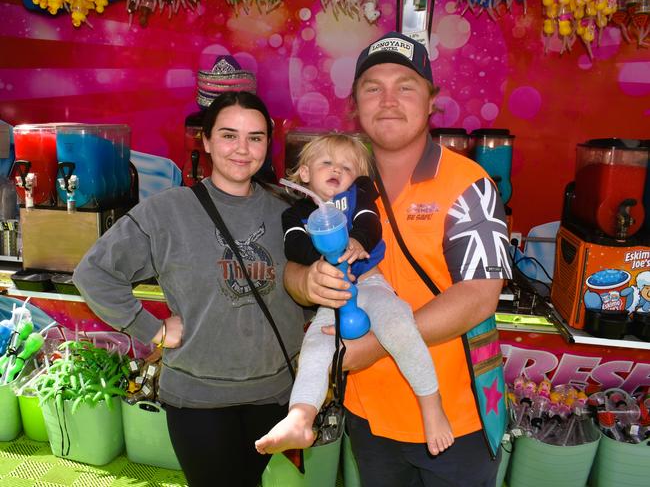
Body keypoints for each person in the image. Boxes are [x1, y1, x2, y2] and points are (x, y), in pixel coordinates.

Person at [284, 31, 512, 486]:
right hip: (367, 416)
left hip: (454, 416)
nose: (388, 100)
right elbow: (294, 267)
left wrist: (373, 348)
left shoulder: (468, 185)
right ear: (355, 105)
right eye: (373, 88)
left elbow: (479, 297)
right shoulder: (338, 180)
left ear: (432, 101)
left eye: (405, 86)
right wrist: (304, 280)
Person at [73, 91, 305, 487]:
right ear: (208, 141)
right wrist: (151, 329)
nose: (242, 149)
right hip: (199, 399)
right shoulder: (168, 211)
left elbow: (306, 288)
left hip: (273, 393)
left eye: (256, 137)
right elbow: (93, 273)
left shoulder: (288, 212)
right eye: (229, 135)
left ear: (268, 145)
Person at [255, 133, 454, 457]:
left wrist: (359, 240)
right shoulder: (295, 213)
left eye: (347, 167)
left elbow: (369, 222)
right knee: (316, 349)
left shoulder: (358, 196)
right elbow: (293, 244)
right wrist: (318, 263)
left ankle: (431, 405)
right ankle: (300, 418)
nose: (337, 170)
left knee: (400, 324)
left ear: (357, 177)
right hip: (332, 296)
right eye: (327, 163)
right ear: (304, 174)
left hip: (370, 285)